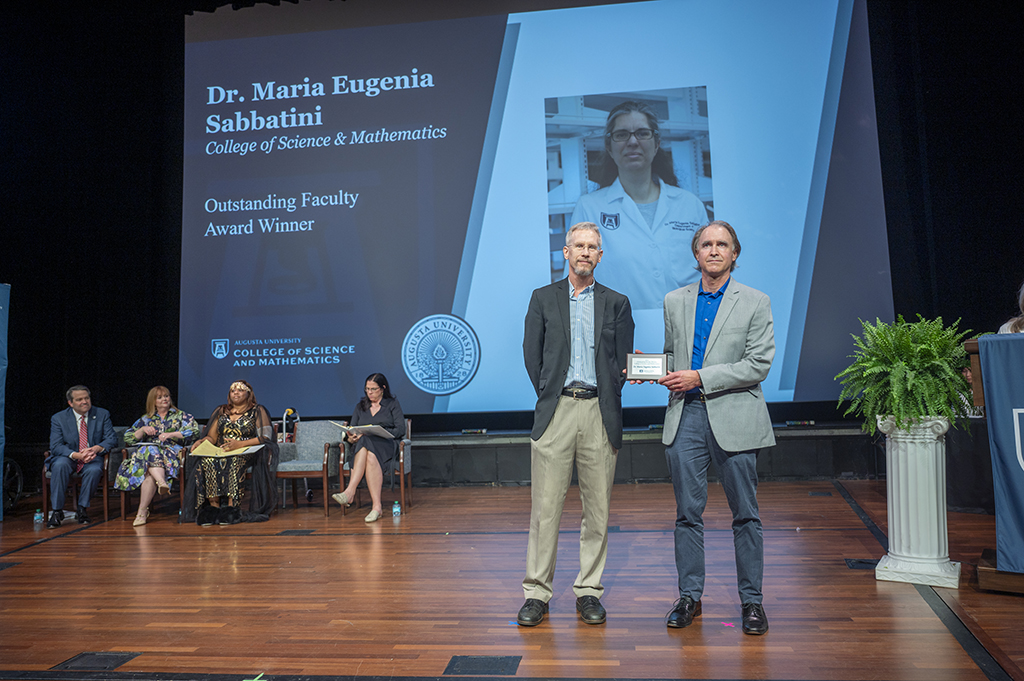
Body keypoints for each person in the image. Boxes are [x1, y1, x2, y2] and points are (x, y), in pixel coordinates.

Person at [656, 220, 774, 635]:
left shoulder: (756, 301)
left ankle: (752, 603)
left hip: (736, 416)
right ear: (696, 254)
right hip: (685, 416)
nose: (713, 250)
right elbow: (673, 357)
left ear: (734, 253)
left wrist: (700, 377)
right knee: (687, 514)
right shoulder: (675, 300)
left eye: (722, 244)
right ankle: (689, 596)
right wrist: (651, 369)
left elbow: (758, 363)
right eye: (706, 244)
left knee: (746, 515)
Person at [518, 221, 634, 627]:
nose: (585, 252)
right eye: (578, 246)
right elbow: (532, 357)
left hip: (600, 413)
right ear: (565, 252)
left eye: (593, 247)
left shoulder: (617, 302)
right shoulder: (543, 298)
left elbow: (622, 362)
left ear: (600, 256)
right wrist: (551, 394)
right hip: (558, 411)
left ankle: (588, 591)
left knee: (597, 510)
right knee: (545, 508)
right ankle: (537, 593)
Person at [569, 100, 710, 310]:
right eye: (622, 134)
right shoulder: (589, 208)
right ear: (609, 146)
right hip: (617, 334)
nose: (633, 141)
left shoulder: (690, 205)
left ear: (657, 143)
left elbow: (712, 275)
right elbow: (577, 285)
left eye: (642, 133)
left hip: (687, 331)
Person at [184, 380, 277, 525]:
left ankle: (231, 508)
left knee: (234, 461)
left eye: (240, 390)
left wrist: (239, 444)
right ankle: (213, 509)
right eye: (233, 391)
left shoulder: (257, 410)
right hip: (222, 450)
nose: (236, 393)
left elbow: (265, 437)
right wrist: (202, 442)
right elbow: (212, 437)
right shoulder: (221, 411)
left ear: (248, 393)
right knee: (207, 461)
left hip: (246, 450)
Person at [115, 386, 198, 526]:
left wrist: (171, 434)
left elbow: (194, 432)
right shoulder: (145, 419)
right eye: (160, 397)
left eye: (166, 396)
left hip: (170, 454)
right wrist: (142, 430)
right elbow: (128, 438)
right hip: (148, 457)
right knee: (150, 450)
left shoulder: (181, 416)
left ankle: (142, 512)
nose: (164, 399)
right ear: (153, 401)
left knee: (149, 467)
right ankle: (161, 483)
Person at [331, 373, 406, 523]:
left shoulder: (392, 404)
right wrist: (350, 437)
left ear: (383, 388)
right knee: (369, 452)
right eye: (367, 389)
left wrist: (381, 432)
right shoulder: (361, 406)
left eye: (373, 389)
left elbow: (400, 430)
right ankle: (376, 507)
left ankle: (350, 491)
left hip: (386, 445)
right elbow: (352, 429)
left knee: (367, 441)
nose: (369, 392)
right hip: (365, 447)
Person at [47, 385, 117, 526]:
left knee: (94, 470)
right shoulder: (59, 418)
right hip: (68, 456)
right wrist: (77, 455)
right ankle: (57, 511)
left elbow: (112, 439)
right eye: (79, 399)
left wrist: (96, 448)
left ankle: (82, 509)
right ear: (70, 403)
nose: (85, 402)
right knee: (60, 465)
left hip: (92, 456)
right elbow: (55, 446)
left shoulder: (102, 414)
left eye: (86, 398)